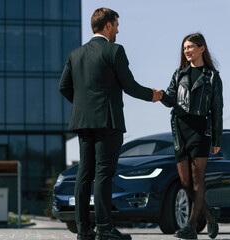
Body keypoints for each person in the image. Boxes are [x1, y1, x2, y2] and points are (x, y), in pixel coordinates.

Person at [59, 7, 162, 240]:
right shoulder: (114, 50)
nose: (117, 29)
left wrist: (83, 104)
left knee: (84, 174)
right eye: (116, 25)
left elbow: (63, 87)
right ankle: (104, 228)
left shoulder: (75, 54)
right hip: (108, 120)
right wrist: (152, 95)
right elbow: (130, 85)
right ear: (107, 25)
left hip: (83, 121)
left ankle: (84, 230)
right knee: (104, 173)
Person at [159, 32, 223, 240]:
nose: (186, 51)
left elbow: (217, 109)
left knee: (197, 180)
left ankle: (191, 227)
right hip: (179, 130)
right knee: (185, 183)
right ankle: (211, 215)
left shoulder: (212, 76)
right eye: (184, 48)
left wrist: (217, 139)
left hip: (200, 130)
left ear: (201, 48)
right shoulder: (179, 74)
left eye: (190, 47)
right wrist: (160, 96)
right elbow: (170, 99)